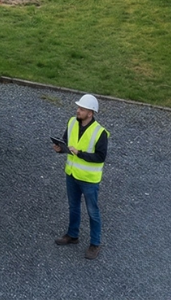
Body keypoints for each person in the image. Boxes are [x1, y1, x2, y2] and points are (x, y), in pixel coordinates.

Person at [53, 93, 109, 259]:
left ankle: (95, 244)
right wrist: (59, 149)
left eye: (81, 109)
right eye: (78, 108)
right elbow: (65, 142)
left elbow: (101, 157)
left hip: (89, 180)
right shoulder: (72, 122)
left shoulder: (100, 133)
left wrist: (80, 153)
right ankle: (72, 235)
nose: (77, 111)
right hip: (71, 174)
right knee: (73, 206)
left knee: (93, 212)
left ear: (90, 113)